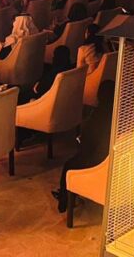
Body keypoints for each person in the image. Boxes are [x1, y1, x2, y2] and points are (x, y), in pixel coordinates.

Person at [53, 81, 115, 212]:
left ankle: (65, 201)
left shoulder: (99, 117)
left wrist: (81, 140)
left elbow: (88, 144)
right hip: (109, 162)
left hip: (95, 162)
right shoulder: (118, 117)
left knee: (69, 166)